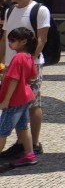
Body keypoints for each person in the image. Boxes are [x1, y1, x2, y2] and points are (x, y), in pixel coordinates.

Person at [0, 0, 50, 160]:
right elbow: (5, 38)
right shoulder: (10, 10)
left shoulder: (39, 10)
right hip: (11, 65)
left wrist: (30, 60)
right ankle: (22, 144)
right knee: (15, 103)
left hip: (30, 66)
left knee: (33, 103)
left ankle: (34, 143)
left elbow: (41, 39)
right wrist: (2, 62)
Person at [0, 27, 39, 168]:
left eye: (12, 40)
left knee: (2, 131)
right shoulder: (29, 56)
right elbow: (33, 75)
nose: (10, 44)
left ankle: (29, 154)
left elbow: (14, 80)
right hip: (26, 97)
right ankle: (29, 154)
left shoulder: (18, 57)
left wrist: (6, 100)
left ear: (23, 41)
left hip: (15, 100)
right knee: (22, 127)